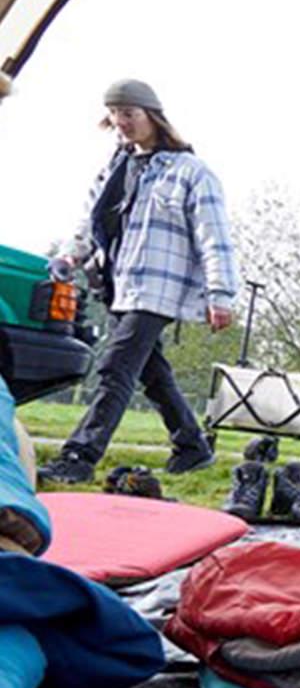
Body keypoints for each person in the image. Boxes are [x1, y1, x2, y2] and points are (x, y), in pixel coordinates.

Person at [38, 79, 237, 484]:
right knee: (151, 373)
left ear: (153, 116)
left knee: (115, 368)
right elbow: (91, 223)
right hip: (119, 287)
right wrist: (68, 256)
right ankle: (192, 445)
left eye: (128, 114)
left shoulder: (191, 173)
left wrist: (220, 294)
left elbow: (214, 237)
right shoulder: (116, 168)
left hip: (158, 289)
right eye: (114, 115)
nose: (120, 123)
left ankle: (78, 457)